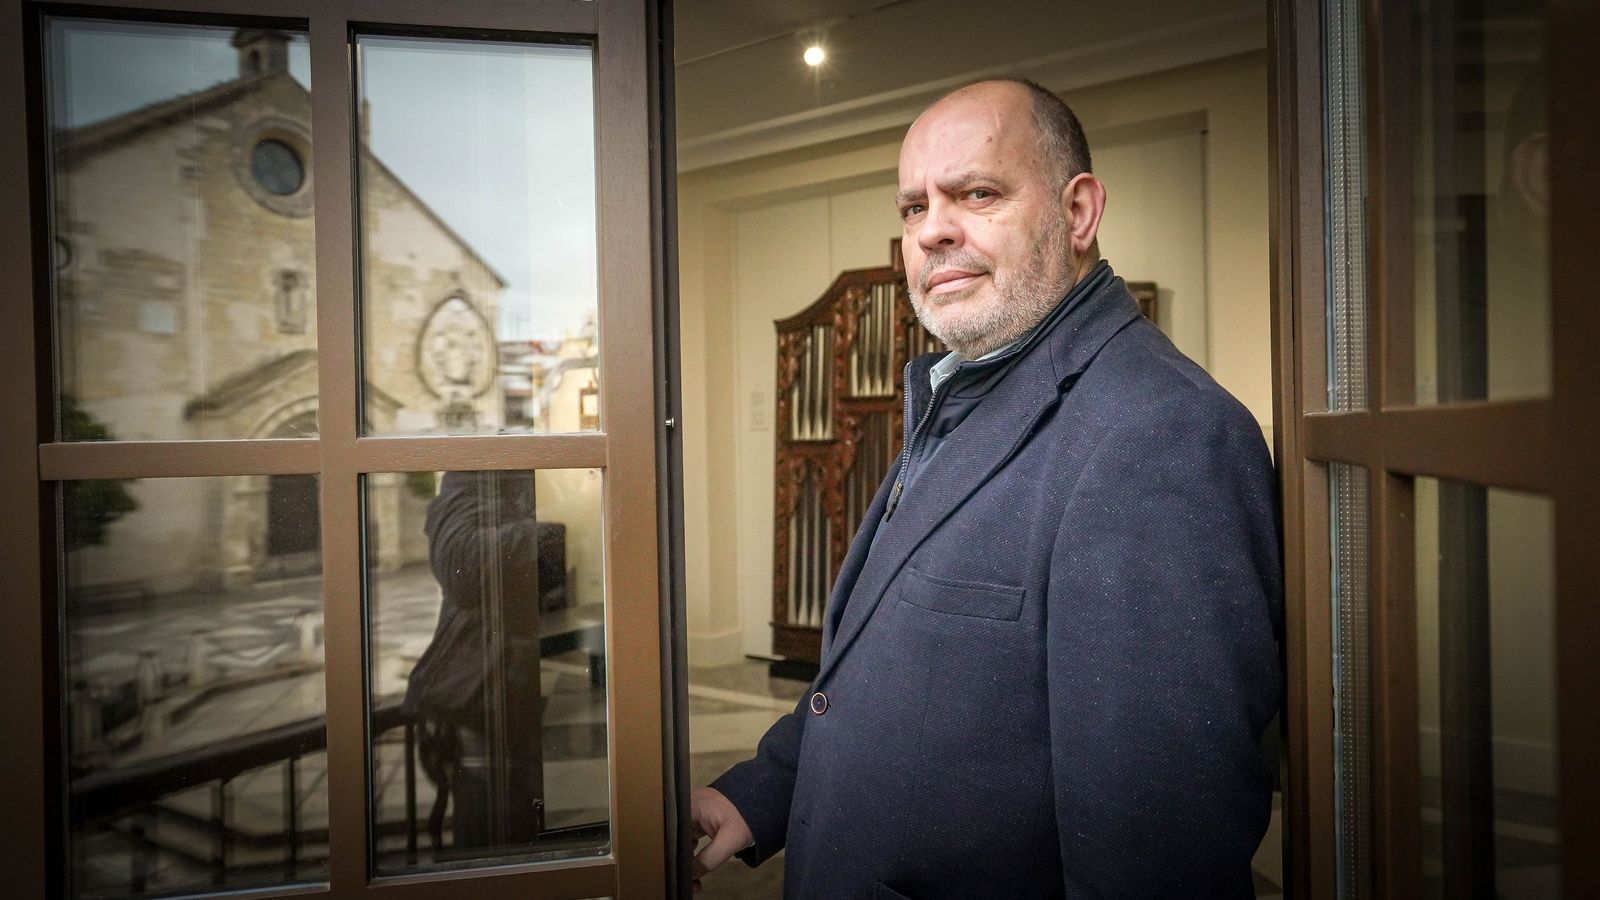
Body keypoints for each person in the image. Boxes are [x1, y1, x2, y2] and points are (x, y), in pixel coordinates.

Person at [690, 78, 1282, 898]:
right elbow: (890, 678)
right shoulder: (964, 388)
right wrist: (761, 794)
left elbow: (1157, 849)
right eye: (911, 208)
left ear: (1078, 213)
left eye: (977, 192)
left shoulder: (1161, 435)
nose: (933, 229)